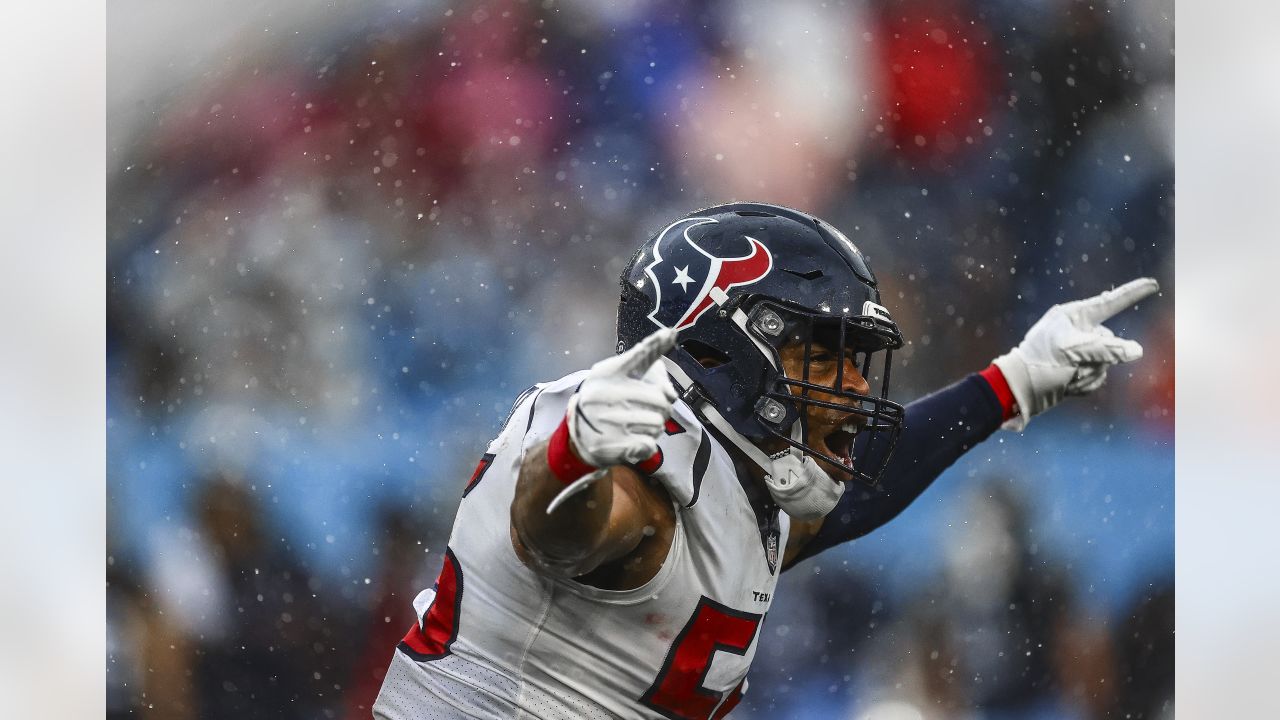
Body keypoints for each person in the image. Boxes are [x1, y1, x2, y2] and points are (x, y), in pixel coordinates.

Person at [372, 202, 1158, 720]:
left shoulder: (742, 474)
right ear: (719, 346)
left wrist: (1011, 382)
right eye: (823, 354)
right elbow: (560, 529)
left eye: (857, 359)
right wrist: (571, 458)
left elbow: (844, 508)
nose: (853, 385)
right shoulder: (639, 455)